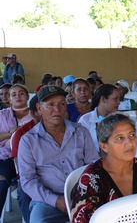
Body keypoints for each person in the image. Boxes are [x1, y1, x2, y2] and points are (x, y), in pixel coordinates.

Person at [18, 85, 98, 223]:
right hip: (47, 201)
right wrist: (55, 201)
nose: (57, 109)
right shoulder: (28, 140)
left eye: (62, 104)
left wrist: (85, 194)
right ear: (39, 108)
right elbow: (28, 180)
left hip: (82, 196)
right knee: (39, 220)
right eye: (50, 105)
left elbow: (94, 166)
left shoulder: (80, 132)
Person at [70, 113, 137, 222]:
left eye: (132, 135)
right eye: (120, 138)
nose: (129, 143)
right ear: (104, 146)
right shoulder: (91, 181)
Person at [0, 84, 33, 218]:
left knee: (23, 189)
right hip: (5, 156)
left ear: (27, 97)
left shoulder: (36, 115)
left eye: (21, 93)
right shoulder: (2, 115)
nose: (18, 96)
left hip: (28, 158)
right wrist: (9, 134)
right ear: (9, 99)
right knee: (1, 181)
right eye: (14, 94)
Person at [10, 95, 41, 223]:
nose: (54, 111)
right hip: (32, 174)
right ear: (33, 113)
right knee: (24, 193)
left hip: (60, 174)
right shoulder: (22, 133)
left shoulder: (70, 129)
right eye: (47, 107)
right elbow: (21, 167)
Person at [78, 84, 120, 151]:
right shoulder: (85, 120)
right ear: (103, 99)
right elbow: (80, 147)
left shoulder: (120, 119)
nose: (119, 102)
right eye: (115, 99)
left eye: (119, 99)